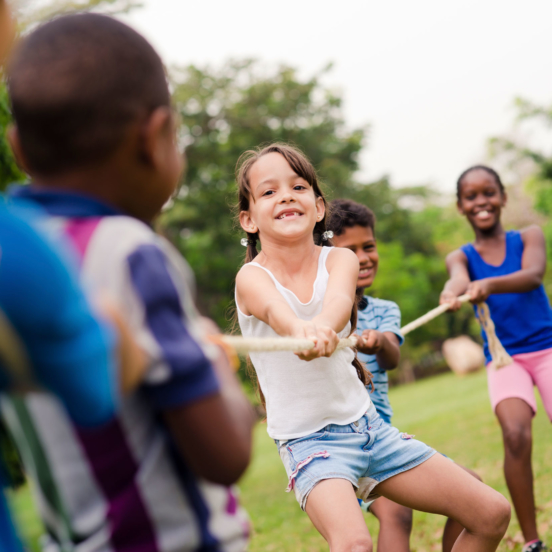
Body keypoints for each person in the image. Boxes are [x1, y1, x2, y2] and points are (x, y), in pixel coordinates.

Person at [5, 13, 254, 552]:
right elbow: (224, 456)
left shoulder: (12, 256)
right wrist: (214, 360)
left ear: (18, 148)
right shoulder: (131, 252)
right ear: (155, 137)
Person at [234, 143, 510, 552]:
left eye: (298, 186)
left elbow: (339, 305)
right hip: (311, 445)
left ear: (319, 206)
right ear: (249, 219)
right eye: (269, 192)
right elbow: (277, 313)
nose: (287, 196)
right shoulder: (251, 278)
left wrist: (323, 329)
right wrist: (301, 331)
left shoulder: (339, 261)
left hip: (370, 429)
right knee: (356, 544)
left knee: (491, 513)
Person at [328, 198, 489, 552]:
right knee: (397, 514)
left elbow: (391, 359)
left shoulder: (386, 310)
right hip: (341, 446)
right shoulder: (321, 316)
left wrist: (380, 342)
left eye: (368, 246)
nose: (363, 257)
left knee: (472, 490)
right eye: (349, 250)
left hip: (382, 439)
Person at [440, 165, 552, 552]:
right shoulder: (463, 257)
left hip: (547, 349)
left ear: (502, 197)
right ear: (461, 207)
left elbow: (534, 274)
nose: (481, 202)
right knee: (515, 434)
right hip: (506, 361)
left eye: (489, 192)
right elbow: (456, 278)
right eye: (471, 196)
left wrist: (487, 284)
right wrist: (450, 293)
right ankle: (533, 541)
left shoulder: (529, 237)